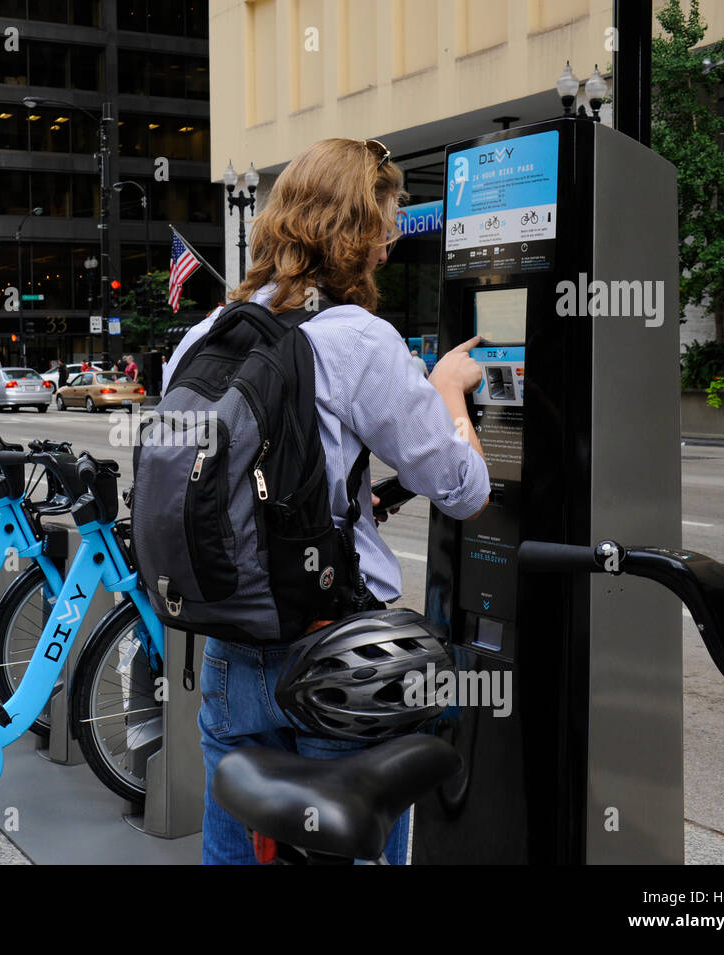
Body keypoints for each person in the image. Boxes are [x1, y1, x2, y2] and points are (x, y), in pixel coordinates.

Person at [162, 138, 490, 866]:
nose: (393, 238)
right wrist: (447, 393)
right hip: (342, 661)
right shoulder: (359, 340)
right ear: (355, 230)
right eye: (386, 219)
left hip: (228, 652)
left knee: (237, 855)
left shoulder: (200, 339)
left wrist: (348, 503)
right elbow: (464, 491)